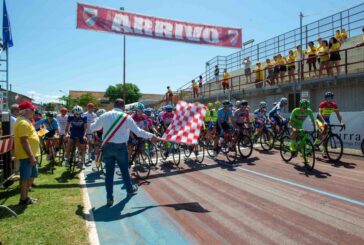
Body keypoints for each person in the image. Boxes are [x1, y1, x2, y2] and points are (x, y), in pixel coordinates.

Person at [91, 99, 159, 206]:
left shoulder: (105, 115)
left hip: (107, 147)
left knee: (109, 173)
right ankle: (129, 190)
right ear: (123, 106)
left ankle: (109, 198)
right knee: (124, 170)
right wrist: (151, 136)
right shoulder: (127, 117)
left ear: (114, 105)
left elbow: (93, 128)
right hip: (121, 147)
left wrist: (94, 123)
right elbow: (138, 132)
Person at [14, 101, 40, 205]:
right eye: (32, 109)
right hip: (27, 156)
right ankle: (23, 199)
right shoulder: (22, 123)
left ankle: (26, 197)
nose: (34, 111)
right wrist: (31, 156)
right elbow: (24, 141)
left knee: (31, 175)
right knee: (25, 178)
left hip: (30, 155)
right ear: (26, 110)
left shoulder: (26, 121)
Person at [314, 92, 345, 156]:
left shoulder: (334, 105)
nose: (329, 99)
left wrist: (341, 122)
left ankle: (324, 151)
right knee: (324, 131)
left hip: (327, 120)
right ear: (325, 98)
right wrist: (324, 121)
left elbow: (338, 115)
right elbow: (319, 113)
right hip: (319, 119)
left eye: (330, 97)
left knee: (326, 136)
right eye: (328, 97)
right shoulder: (322, 104)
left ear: (332, 98)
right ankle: (315, 144)